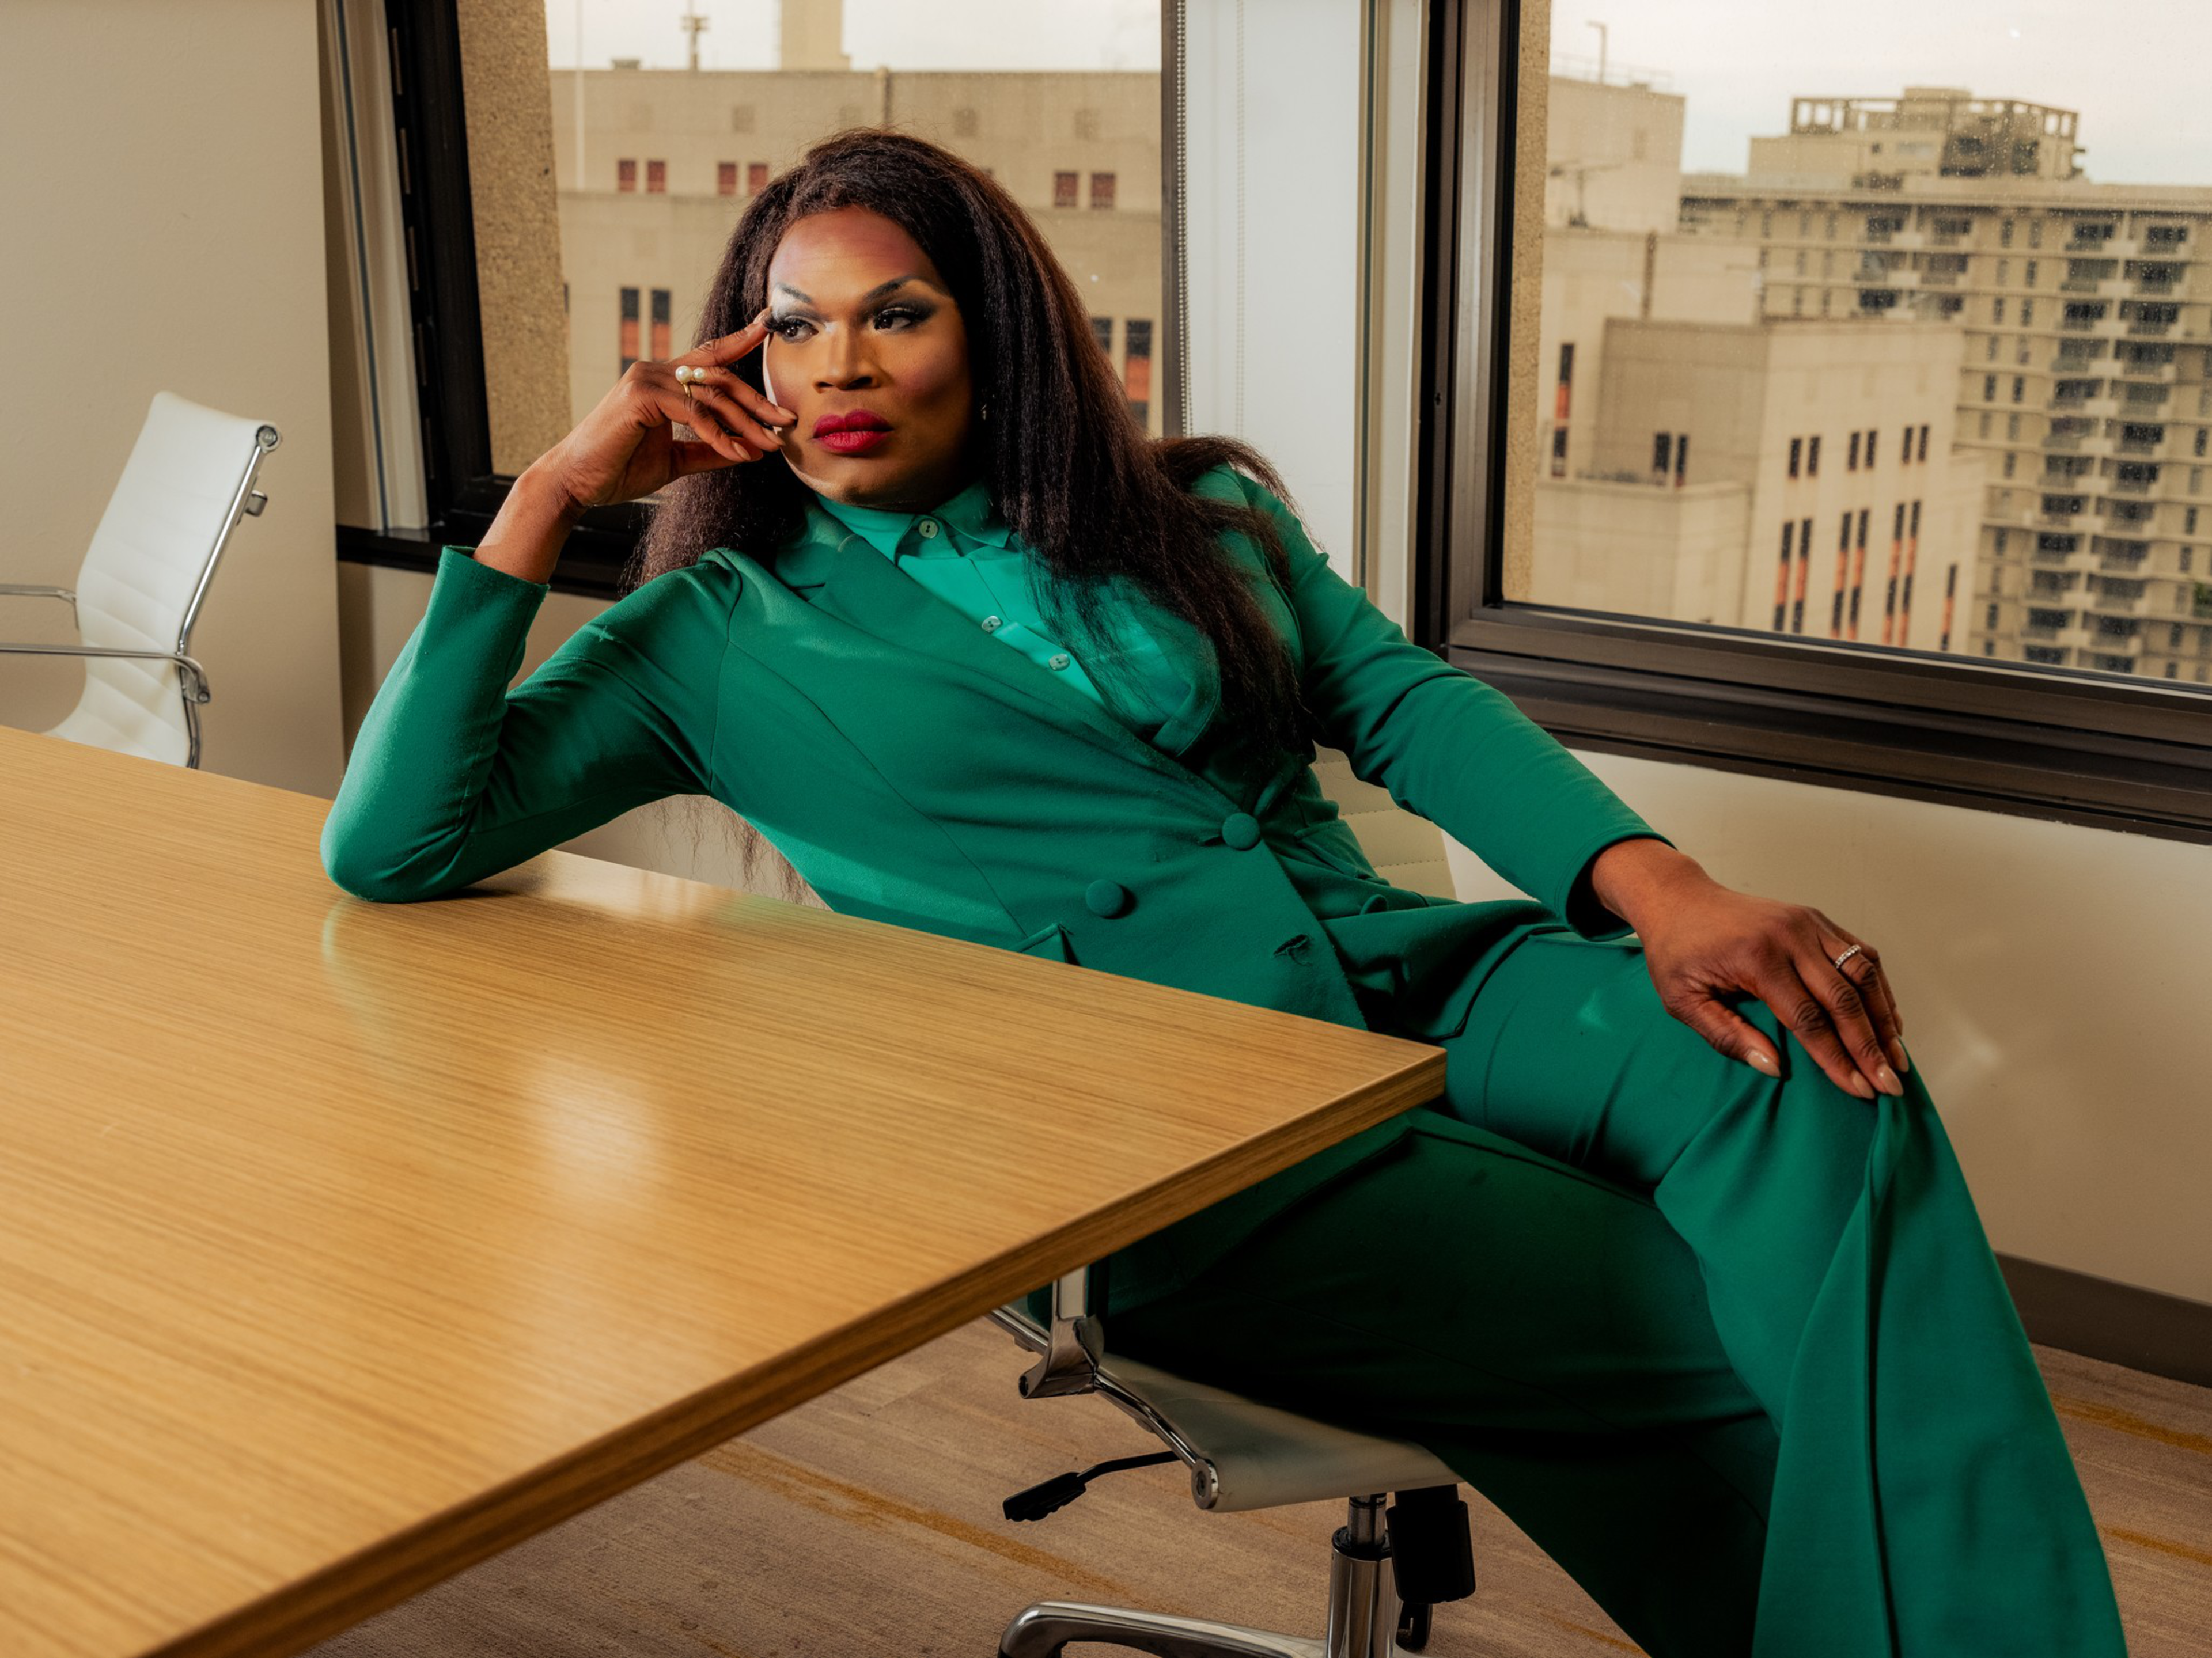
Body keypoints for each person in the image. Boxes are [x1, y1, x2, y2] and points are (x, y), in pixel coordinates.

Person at [320, 130, 2128, 1657]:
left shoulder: (1193, 522)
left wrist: (1666, 889)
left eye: (897, 315)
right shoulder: (706, 635)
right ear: (740, 359)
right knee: (1705, 1324)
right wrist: (554, 496)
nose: (840, 368)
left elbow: (1405, 701)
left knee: (1813, 1060)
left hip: (1416, 981)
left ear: (998, 334)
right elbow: (392, 842)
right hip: (1171, 1129)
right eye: (795, 328)